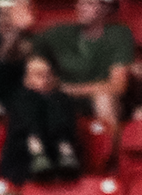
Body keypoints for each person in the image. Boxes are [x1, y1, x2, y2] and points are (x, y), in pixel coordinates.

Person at [38, 0, 131, 128]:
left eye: (89, 4)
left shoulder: (119, 34)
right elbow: (29, 55)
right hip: (60, 98)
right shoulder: (60, 33)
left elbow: (118, 85)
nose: (81, 8)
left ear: (105, 8)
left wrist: (70, 89)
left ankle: (108, 145)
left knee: (103, 98)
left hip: (93, 99)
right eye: (80, 3)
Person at [1, 53, 84, 182]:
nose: (45, 79)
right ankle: (37, 151)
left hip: (61, 163)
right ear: (26, 79)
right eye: (38, 74)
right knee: (28, 99)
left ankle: (63, 152)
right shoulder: (19, 100)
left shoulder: (63, 100)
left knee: (57, 99)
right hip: (23, 160)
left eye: (48, 74)